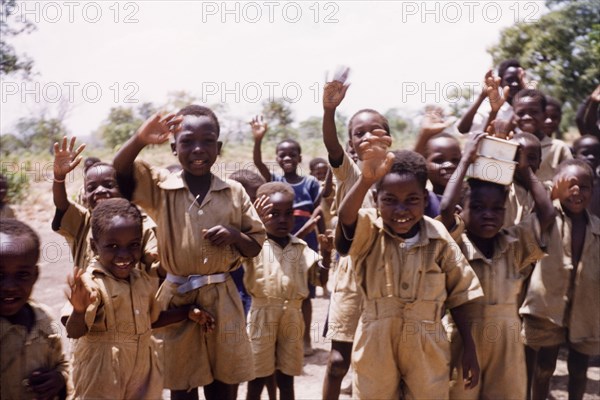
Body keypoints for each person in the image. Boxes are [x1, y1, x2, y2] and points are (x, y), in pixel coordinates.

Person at [113, 106, 265, 400]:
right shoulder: (160, 188)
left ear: (218, 148)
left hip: (223, 298)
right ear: (173, 147)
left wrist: (235, 235)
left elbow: (255, 245)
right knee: (181, 384)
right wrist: (140, 139)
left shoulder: (234, 192)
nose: (198, 149)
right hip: (176, 298)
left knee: (224, 384)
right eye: (187, 141)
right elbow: (120, 170)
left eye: (208, 141)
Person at [337, 144, 483, 399]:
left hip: (428, 340)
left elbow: (460, 296)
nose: (401, 210)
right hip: (376, 340)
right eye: (390, 201)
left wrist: (470, 347)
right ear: (377, 199)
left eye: (412, 200)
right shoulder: (369, 229)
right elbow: (345, 220)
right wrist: (364, 180)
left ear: (425, 200)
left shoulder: (439, 239)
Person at [439, 132, 556, 399]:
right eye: (478, 207)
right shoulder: (455, 243)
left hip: (508, 339)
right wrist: (467, 157)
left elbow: (547, 212)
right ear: (463, 210)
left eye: (496, 208)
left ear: (505, 211)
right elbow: (445, 210)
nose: (488, 215)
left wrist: (524, 169)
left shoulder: (514, 243)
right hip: (462, 337)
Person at [63, 198, 215, 399]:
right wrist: (80, 311)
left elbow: (151, 321)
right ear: (94, 245)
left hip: (143, 369)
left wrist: (186, 313)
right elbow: (74, 331)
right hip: (102, 371)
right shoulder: (91, 283)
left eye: (133, 245)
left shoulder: (141, 280)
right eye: (113, 246)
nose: (124, 254)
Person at [320, 67, 394, 399]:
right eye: (359, 134)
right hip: (351, 273)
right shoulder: (349, 171)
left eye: (376, 131)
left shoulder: (398, 173)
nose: (367, 138)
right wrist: (329, 110)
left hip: (388, 273)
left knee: (380, 357)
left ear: (390, 137)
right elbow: (331, 144)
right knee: (338, 361)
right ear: (351, 144)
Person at [520, 159, 600, 400]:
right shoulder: (547, 220)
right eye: (569, 185)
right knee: (544, 368)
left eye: (584, 187)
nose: (576, 191)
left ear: (593, 190)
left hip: (585, 309)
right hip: (547, 309)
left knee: (578, 369)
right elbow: (528, 229)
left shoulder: (597, 228)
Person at [251, 115, 321, 355]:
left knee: (306, 294)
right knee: (279, 290)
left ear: (300, 158)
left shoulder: (310, 183)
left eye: (293, 154)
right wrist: (258, 139)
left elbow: (320, 209)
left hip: (306, 244)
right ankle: (277, 339)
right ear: (277, 158)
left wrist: (306, 231)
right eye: (283, 154)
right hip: (277, 245)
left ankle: (306, 341)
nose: (288, 158)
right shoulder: (275, 181)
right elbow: (258, 164)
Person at [244, 182, 322, 400]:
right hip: (262, 315)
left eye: (288, 213)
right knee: (257, 377)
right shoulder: (254, 244)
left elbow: (320, 279)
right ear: (260, 214)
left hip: (292, 316)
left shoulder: (300, 247)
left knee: (287, 378)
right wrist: (252, 223)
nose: (282, 220)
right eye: (273, 214)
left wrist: (325, 251)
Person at [51, 137, 159, 275]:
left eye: (109, 185)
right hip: (90, 295)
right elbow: (62, 205)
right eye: (91, 188)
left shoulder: (142, 224)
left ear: (123, 189)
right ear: (84, 195)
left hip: (134, 296)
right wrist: (59, 177)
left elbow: (156, 265)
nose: (100, 191)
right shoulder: (83, 222)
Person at [1, 219, 70, 400]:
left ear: (35, 276)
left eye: (22, 275)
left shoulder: (43, 318)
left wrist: (59, 378)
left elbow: (62, 362)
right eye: (0, 275)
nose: (9, 286)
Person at [511, 89, 572, 183]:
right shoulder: (509, 144)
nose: (527, 117)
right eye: (521, 113)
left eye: (534, 112)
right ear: (514, 116)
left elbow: (569, 181)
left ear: (544, 114)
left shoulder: (558, 148)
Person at [457, 59, 526, 134]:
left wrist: (526, 90)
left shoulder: (527, 110)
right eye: (510, 79)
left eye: (519, 80)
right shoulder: (487, 107)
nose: (515, 84)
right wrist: (482, 95)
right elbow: (462, 129)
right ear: (501, 82)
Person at [504, 132, 542, 227]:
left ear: (539, 163)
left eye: (531, 158)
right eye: (517, 157)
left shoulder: (545, 190)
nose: (522, 163)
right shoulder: (503, 187)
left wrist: (526, 171)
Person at [573, 135, 600, 218]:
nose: (591, 157)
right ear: (574, 156)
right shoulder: (568, 184)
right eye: (585, 153)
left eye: (596, 153)